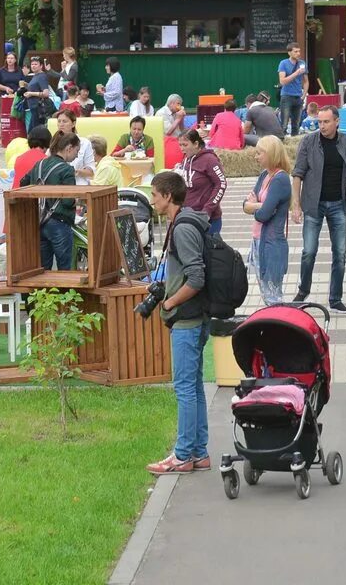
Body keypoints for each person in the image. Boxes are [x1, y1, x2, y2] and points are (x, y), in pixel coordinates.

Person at [146, 170, 212, 475]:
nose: (152, 200)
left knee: (184, 388)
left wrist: (171, 302)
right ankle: (198, 452)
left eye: (155, 195)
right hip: (196, 316)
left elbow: (196, 277)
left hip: (187, 319)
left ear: (168, 196)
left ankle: (183, 454)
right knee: (194, 386)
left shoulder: (183, 228)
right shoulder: (186, 221)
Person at [291, 105, 346, 313]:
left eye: (326, 122)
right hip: (313, 205)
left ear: (337, 121)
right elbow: (298, 174)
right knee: (309, 251)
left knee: (340, 253)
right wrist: (296, 204)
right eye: (320, 122)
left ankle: (335, 298)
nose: (321, 126)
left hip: (338, 204)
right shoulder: (308, 141)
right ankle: (303, 292)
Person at [240, 135, 292, 305]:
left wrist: (255, 205)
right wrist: (258, 205)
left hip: (271, 242)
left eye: (259, 153)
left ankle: (279, 325)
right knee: (265, 291)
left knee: (272, 294)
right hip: (258, 239)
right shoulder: (264, 175)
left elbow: (264, 214)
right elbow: (246, 204)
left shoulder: (280, 179)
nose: (256, 157)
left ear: (271, 154)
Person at [22, 131, 82, 270]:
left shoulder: (40, 164)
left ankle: (44, 292)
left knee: (44, 269)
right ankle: (64, 292)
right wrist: (77, 200)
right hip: (59, 222)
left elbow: (23, 183)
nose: (77, 155)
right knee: (64, 268)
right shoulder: (67, 170)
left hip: (39, 221)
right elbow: (67, 202)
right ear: (69, 148)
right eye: (77, 150)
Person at [177, 127, 227, 235]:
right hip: (188, 215)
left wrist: (207, 210)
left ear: (195, 144)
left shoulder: (209, 160)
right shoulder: (186, 159)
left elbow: (221, 183)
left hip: (208, 219)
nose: (182, 149)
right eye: (180, 145)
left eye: (185, 145)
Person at [277, 44, 309, 134]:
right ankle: (282, 145)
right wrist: (297, 72)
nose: (298, 53)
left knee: (296, 125)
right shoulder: (283, 63)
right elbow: (282, 81)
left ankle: (295, 146)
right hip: (286, 96)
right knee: (284, 124)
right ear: (289, 53)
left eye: (299, 51)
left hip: (298, 97)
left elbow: (306, 81)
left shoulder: (302, 63)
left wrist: (304, 95)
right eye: (295, 51)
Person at [55, 110, 96, 179]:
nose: (61, 124)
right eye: (59, 121)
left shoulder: (85, 143)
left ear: (73, 124)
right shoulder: (54, 142)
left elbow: (91, 172)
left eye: (64, 121)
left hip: (79, 185)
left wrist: (75, 172)